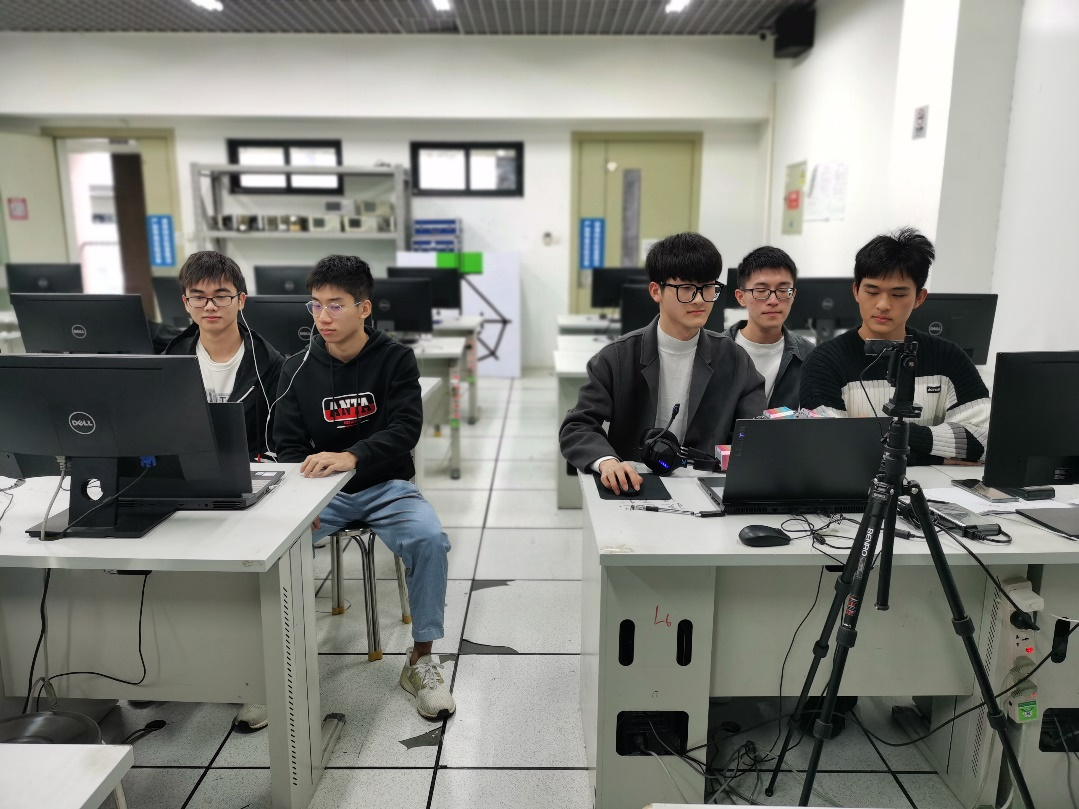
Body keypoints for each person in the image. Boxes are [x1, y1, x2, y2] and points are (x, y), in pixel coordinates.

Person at [270, 254, 455, 723]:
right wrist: (302, 500)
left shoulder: (395, 358)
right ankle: (273, 668)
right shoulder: (296, 368)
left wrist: (354, 455)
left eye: (335, 305)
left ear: (364, 308)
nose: (323, 316)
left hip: (386, 485)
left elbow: (406, 429)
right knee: (270, 548)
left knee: (430, 540)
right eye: (315, 305)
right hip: (322, 493)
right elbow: (289, 446)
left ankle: (421, 660)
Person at [560, 232, 766, 495]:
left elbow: (758, 432)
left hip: (708, 487)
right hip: (635, 483)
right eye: (687, 289)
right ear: (656, 291)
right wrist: (607, 461)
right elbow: (577, 426)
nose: (700, 299)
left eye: (708, 287)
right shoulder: (617, 357)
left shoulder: (735, 360)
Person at [799, 227, 990, 464]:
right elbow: (827, 444)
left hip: (935, 486)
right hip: (858, 485)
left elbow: (985, 439)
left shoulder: (949, 358)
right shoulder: (824, 361)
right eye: (872, 291)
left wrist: (887, 432)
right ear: (856, 291)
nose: (883, 305)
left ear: (919, 298)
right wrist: (937, 457)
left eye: (898, 295)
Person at [166, 251, 284, 459]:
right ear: (186, 302)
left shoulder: (271, 365)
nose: (210, 306)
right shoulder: (170, 362)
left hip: (252, 470)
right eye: (198, 297)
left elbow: (282, 441)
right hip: (188, 470)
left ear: (241, 300)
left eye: (221, 296)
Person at [725, 246, 815, 410]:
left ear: (793, 295)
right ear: (741, 297)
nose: (773, 301)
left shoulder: (809, 357)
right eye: (761, 290)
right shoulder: (715, 352)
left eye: (783, 290)